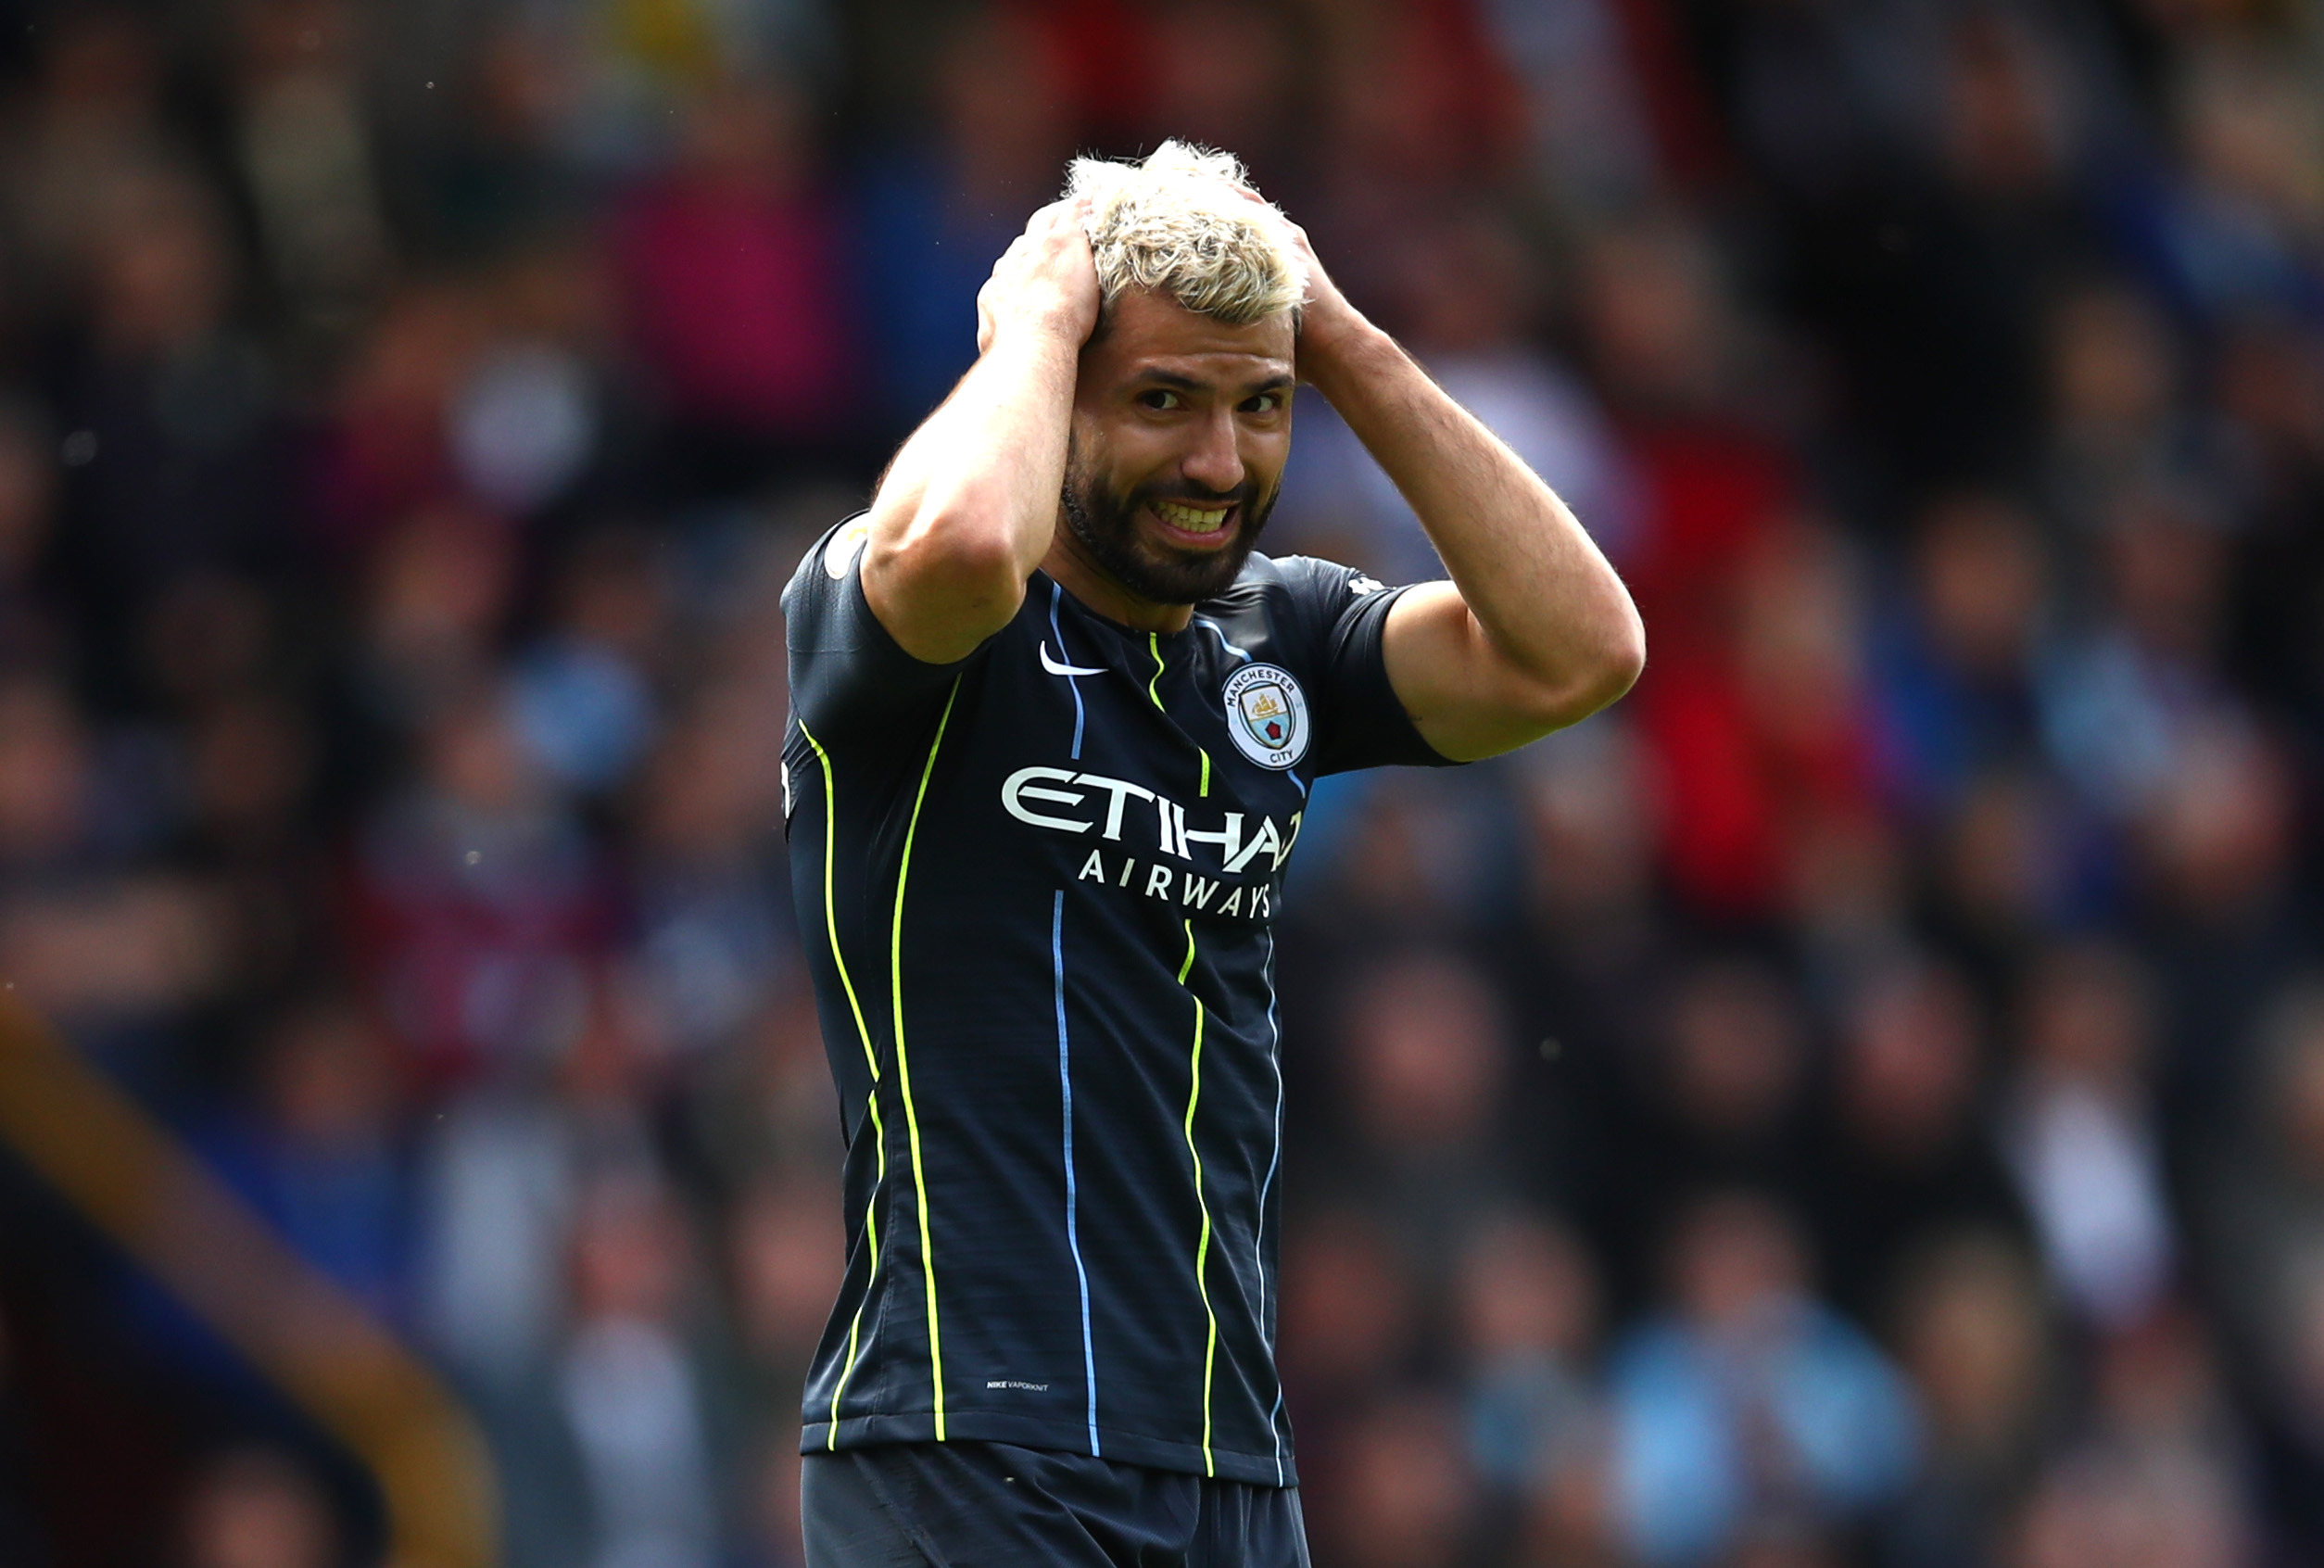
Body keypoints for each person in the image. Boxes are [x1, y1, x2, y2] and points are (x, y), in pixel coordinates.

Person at [780, 141, 1642, 1566]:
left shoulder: (1278, 636)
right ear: (1059, 395)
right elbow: (959, 554)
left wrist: (1347, 346)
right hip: (962, 1442)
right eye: (1163, 400)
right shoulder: (901, 601)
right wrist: (1040, 318)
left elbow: (1582, 653)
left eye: (1261, 407)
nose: (1218, 461)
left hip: (1229, 1462)